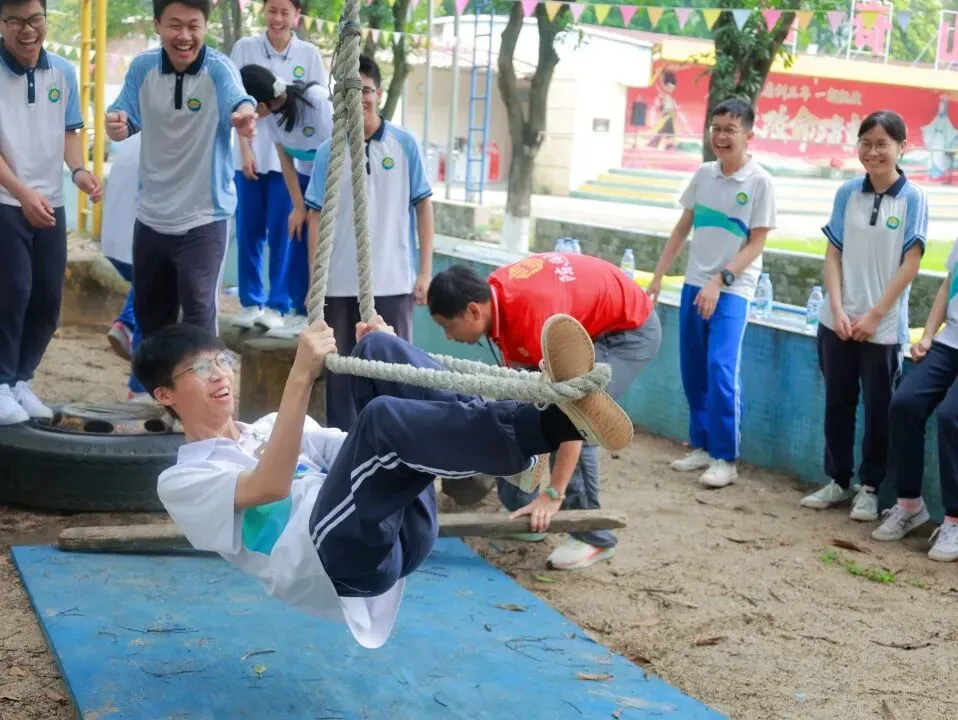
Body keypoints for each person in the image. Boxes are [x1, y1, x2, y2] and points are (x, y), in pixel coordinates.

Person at [136, 314, 632, 649]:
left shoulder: (268, 426)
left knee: (377, 350)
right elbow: (269, 487)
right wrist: (300, 377)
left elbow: (351, 449)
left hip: (398, 525)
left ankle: (533, 441)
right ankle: (548, 427)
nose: (219, 373)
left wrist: (397, 364)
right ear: (165, 393)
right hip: (341, 562)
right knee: (379, 420)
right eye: (199, 368)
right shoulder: (185, 479)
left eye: (222, 359)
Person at [427, 253, 661, 569]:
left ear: (472, 310)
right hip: (582, 321)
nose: (449, 337)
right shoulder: (496, 300)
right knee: (515, 405)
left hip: (627, 332)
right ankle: (526, 511)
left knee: (583, 419)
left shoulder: (533, 321)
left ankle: (592, 536)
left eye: (447, 326)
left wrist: (553, 492)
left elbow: (571, 415)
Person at [104, 0, 257, 352]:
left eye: (193, 25)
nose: (184, 36)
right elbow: (123, 119)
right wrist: (116, 125)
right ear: (157, 25)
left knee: (199, 313)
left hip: (204, 218)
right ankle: (160, 397)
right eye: (175, 25)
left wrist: (244, 115)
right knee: (150, 317)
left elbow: (240, 99)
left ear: (205, 26)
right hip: (152, 216)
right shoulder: (143, 68)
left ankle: (204, 402)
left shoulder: (219, 69)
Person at [800, 111, 927, 521]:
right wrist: (837, 309)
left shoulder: (912, 198)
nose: (873, 152)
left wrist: (874, 316)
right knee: (837, 403)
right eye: (866, 143)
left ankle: (870, 488)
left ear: (901, 147)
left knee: (878, 410)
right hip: (837, 320)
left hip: (883, 327)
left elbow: (911, 264)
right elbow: (833, 252)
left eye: (882, 144)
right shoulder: (847, 193)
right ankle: (839, 480)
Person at [649, 98, 777, 489]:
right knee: (693, 369)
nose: (721, 136)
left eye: (731, 130)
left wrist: (720, 281)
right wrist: (657, 278)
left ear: (749, 135)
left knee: (721, 368)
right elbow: (681, 228)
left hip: (732, 288)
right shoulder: (704, 174)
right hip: (693, 283)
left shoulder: (760, 182)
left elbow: (756, 244)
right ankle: (702, 446)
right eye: (716, 128)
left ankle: (725, 457)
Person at [304, 54, 435, 431]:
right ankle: (345, 447)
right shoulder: (328, 152)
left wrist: (424, 272)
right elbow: (315, 217)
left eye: (364, 89)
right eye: (349, 90)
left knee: (395, 373)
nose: (358, 97)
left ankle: (398, 444)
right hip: (338, 285)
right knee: (342, 375)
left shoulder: (404, 144)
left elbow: (423, 207)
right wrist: (316, 282)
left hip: (393, 283)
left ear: (377, 92)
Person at [0, 0, 103, 425]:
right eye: (17, 21)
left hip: (50, 203)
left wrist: (78, 170)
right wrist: (22, 192)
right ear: (1, 24)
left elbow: (69, 130)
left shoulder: (62, 70)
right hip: (7, 200)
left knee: (47, 296)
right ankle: (1, 381)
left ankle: (22, 379)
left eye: (36, 19)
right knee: (13, 292)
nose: (28, 30)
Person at [230, 0, 328, 334]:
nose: (278, 18)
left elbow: (319, 114)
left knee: (286, 233)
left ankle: (279, 304)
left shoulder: (309, 56)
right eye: (272, 10)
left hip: (296, 163)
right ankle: (251, 302)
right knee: (249, 230)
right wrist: (245, 151)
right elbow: (237, 102)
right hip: (255, 155)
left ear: (297, 16)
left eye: (285, 12)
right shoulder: (244, 48)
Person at [874, 238, 958, 559]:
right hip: (950, 341)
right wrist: (927, 336)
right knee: (904, 404)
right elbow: (949, 283)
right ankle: (910, 505)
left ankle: (954, 519)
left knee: (952, 416)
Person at [100, 133, 153, 399]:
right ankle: (139, 389)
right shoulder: (166, 142)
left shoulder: (133, 141)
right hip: (138, 244)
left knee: (148, 296)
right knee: (154, 308)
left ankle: (127, 322)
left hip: (113, 245)